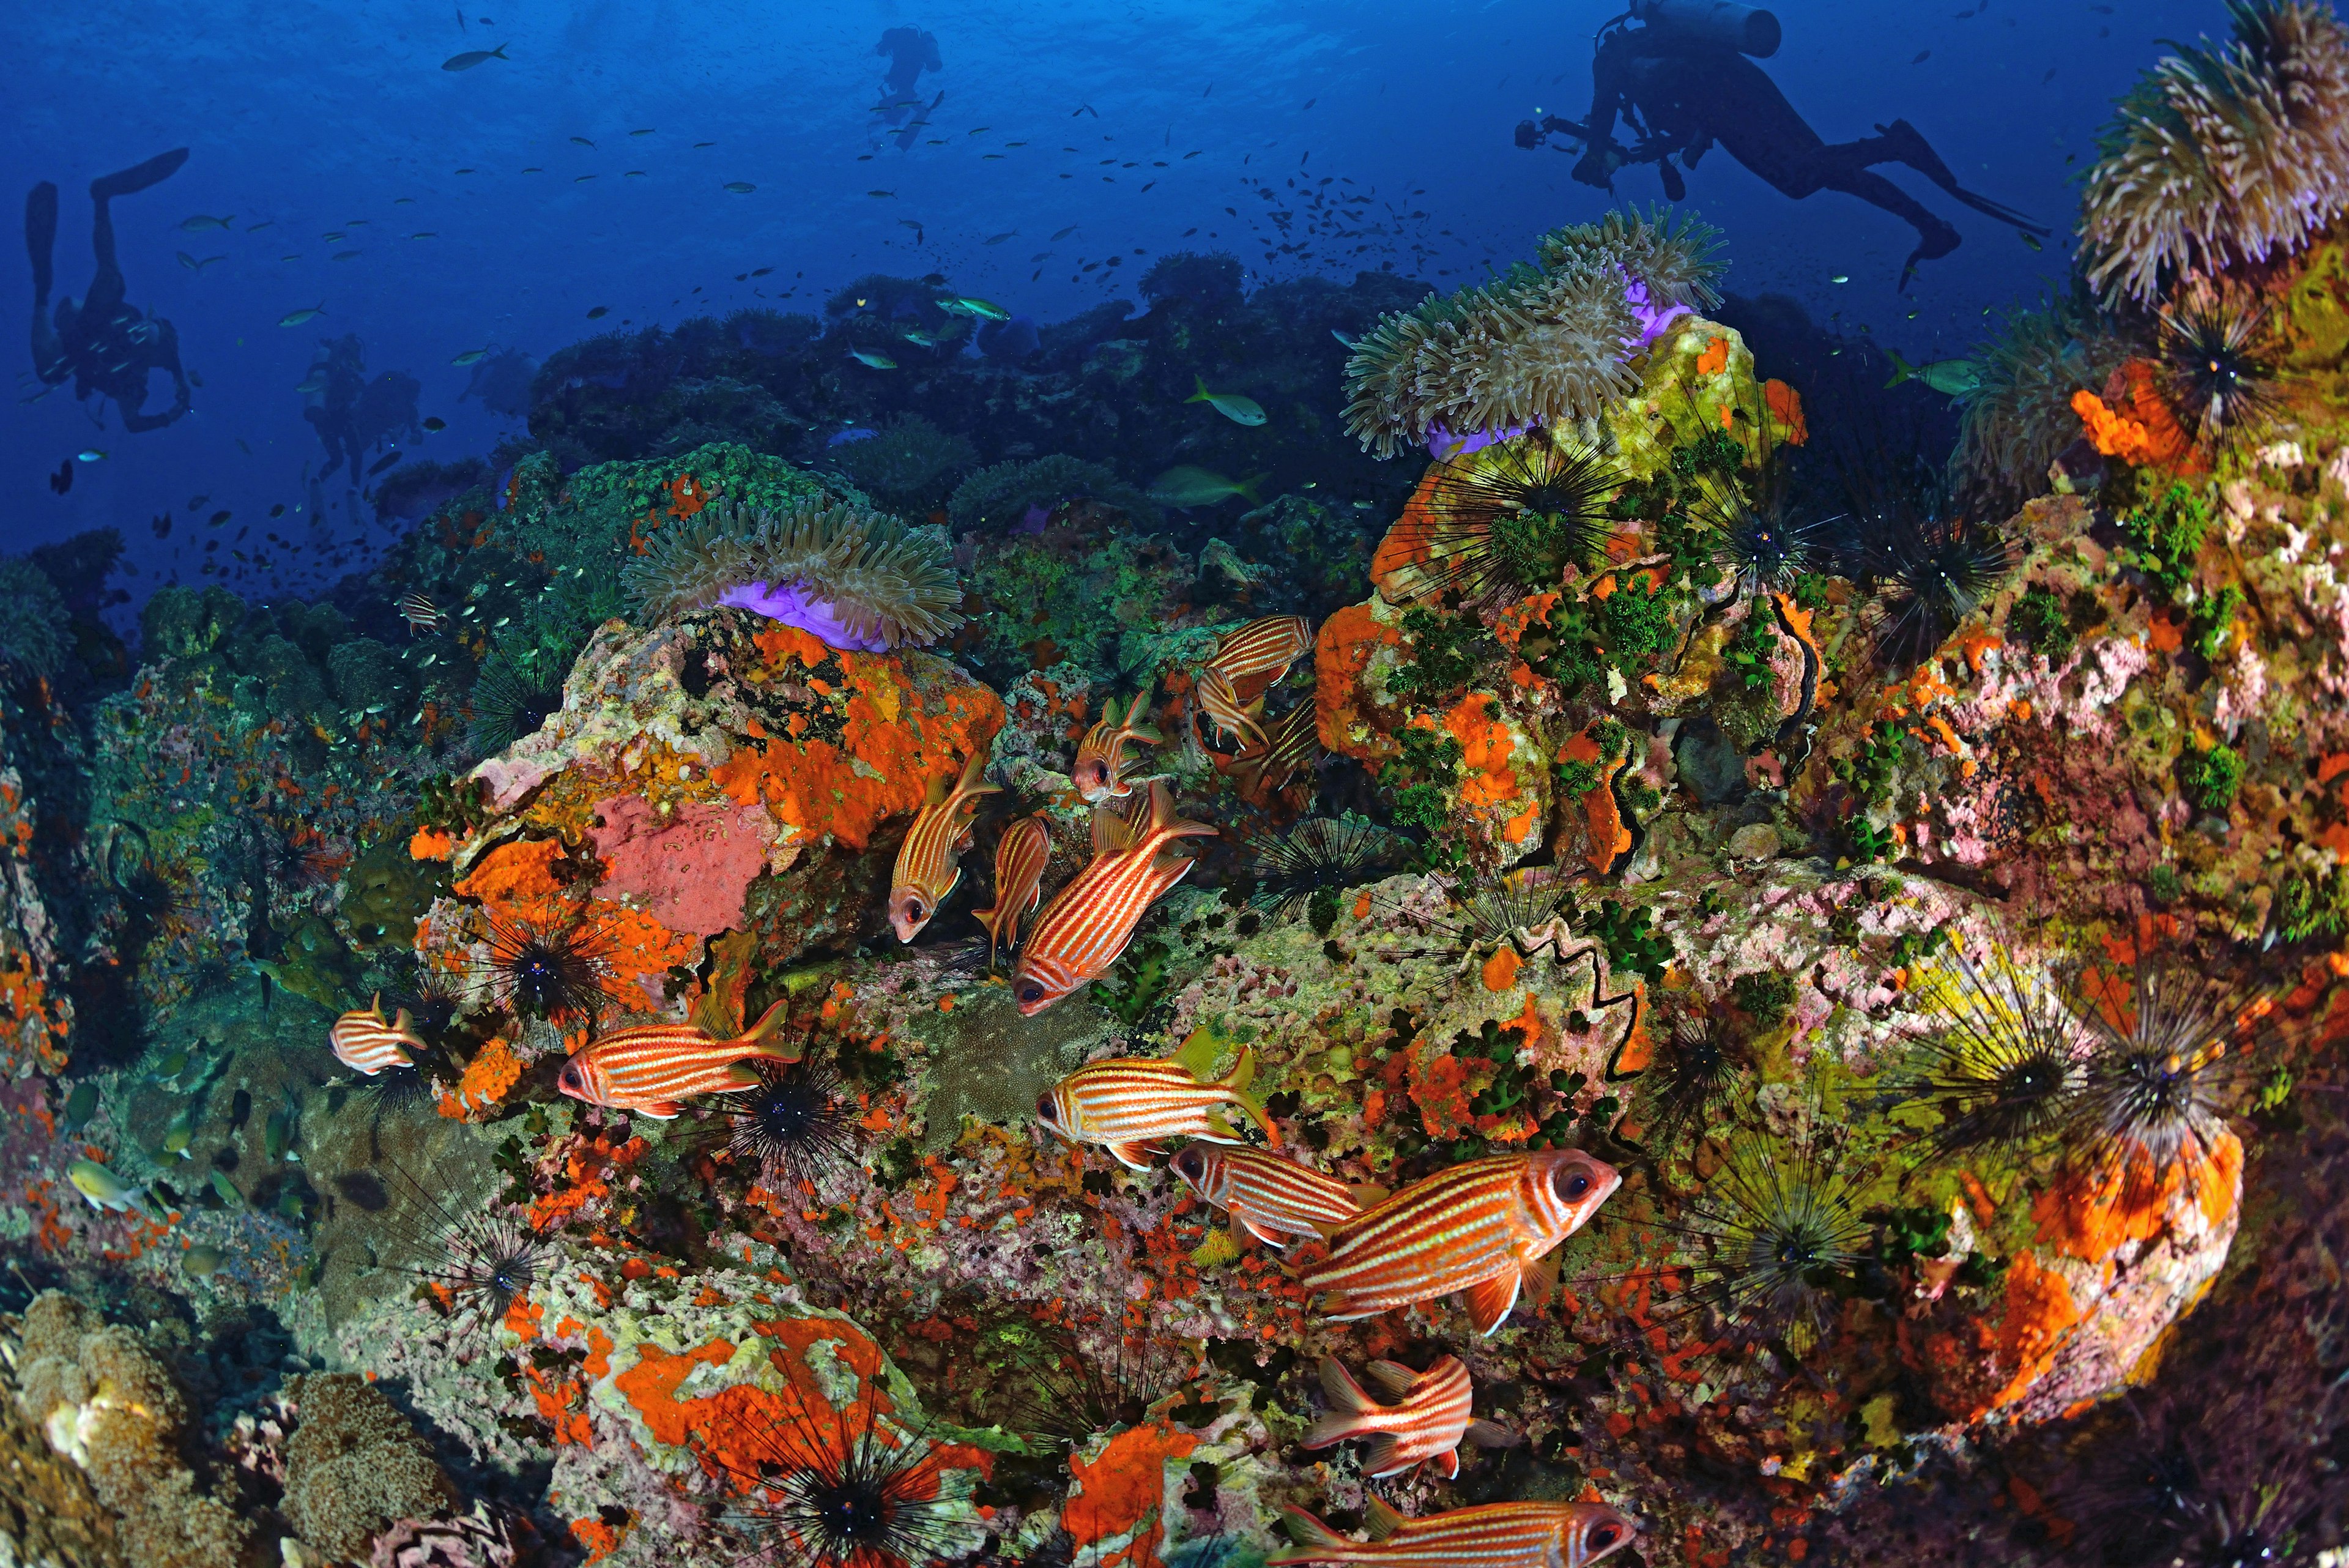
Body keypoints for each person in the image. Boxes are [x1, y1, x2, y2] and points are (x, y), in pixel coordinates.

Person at [1517, 2, 2046, 289]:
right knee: (1821, 168)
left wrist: (1594, 157)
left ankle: (1898, 150)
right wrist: (1693, 143)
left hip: (1725, 103)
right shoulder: (1665, 39)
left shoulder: (1612, 56)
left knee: (1798, 179)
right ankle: (1929, 224)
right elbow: (1679, 116)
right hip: (1747, 83)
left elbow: (1607, 115)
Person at [26, 148, 193, 432]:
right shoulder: (153, 354)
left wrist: (172, 414)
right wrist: (180, 389)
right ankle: (102, 198)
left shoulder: (126, 385)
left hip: (81, 335)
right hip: (106, 322)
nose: (137, 396)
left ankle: (42, 288)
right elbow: (168, 361)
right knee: (111, 280)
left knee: (48, 372)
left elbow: (133, 424)